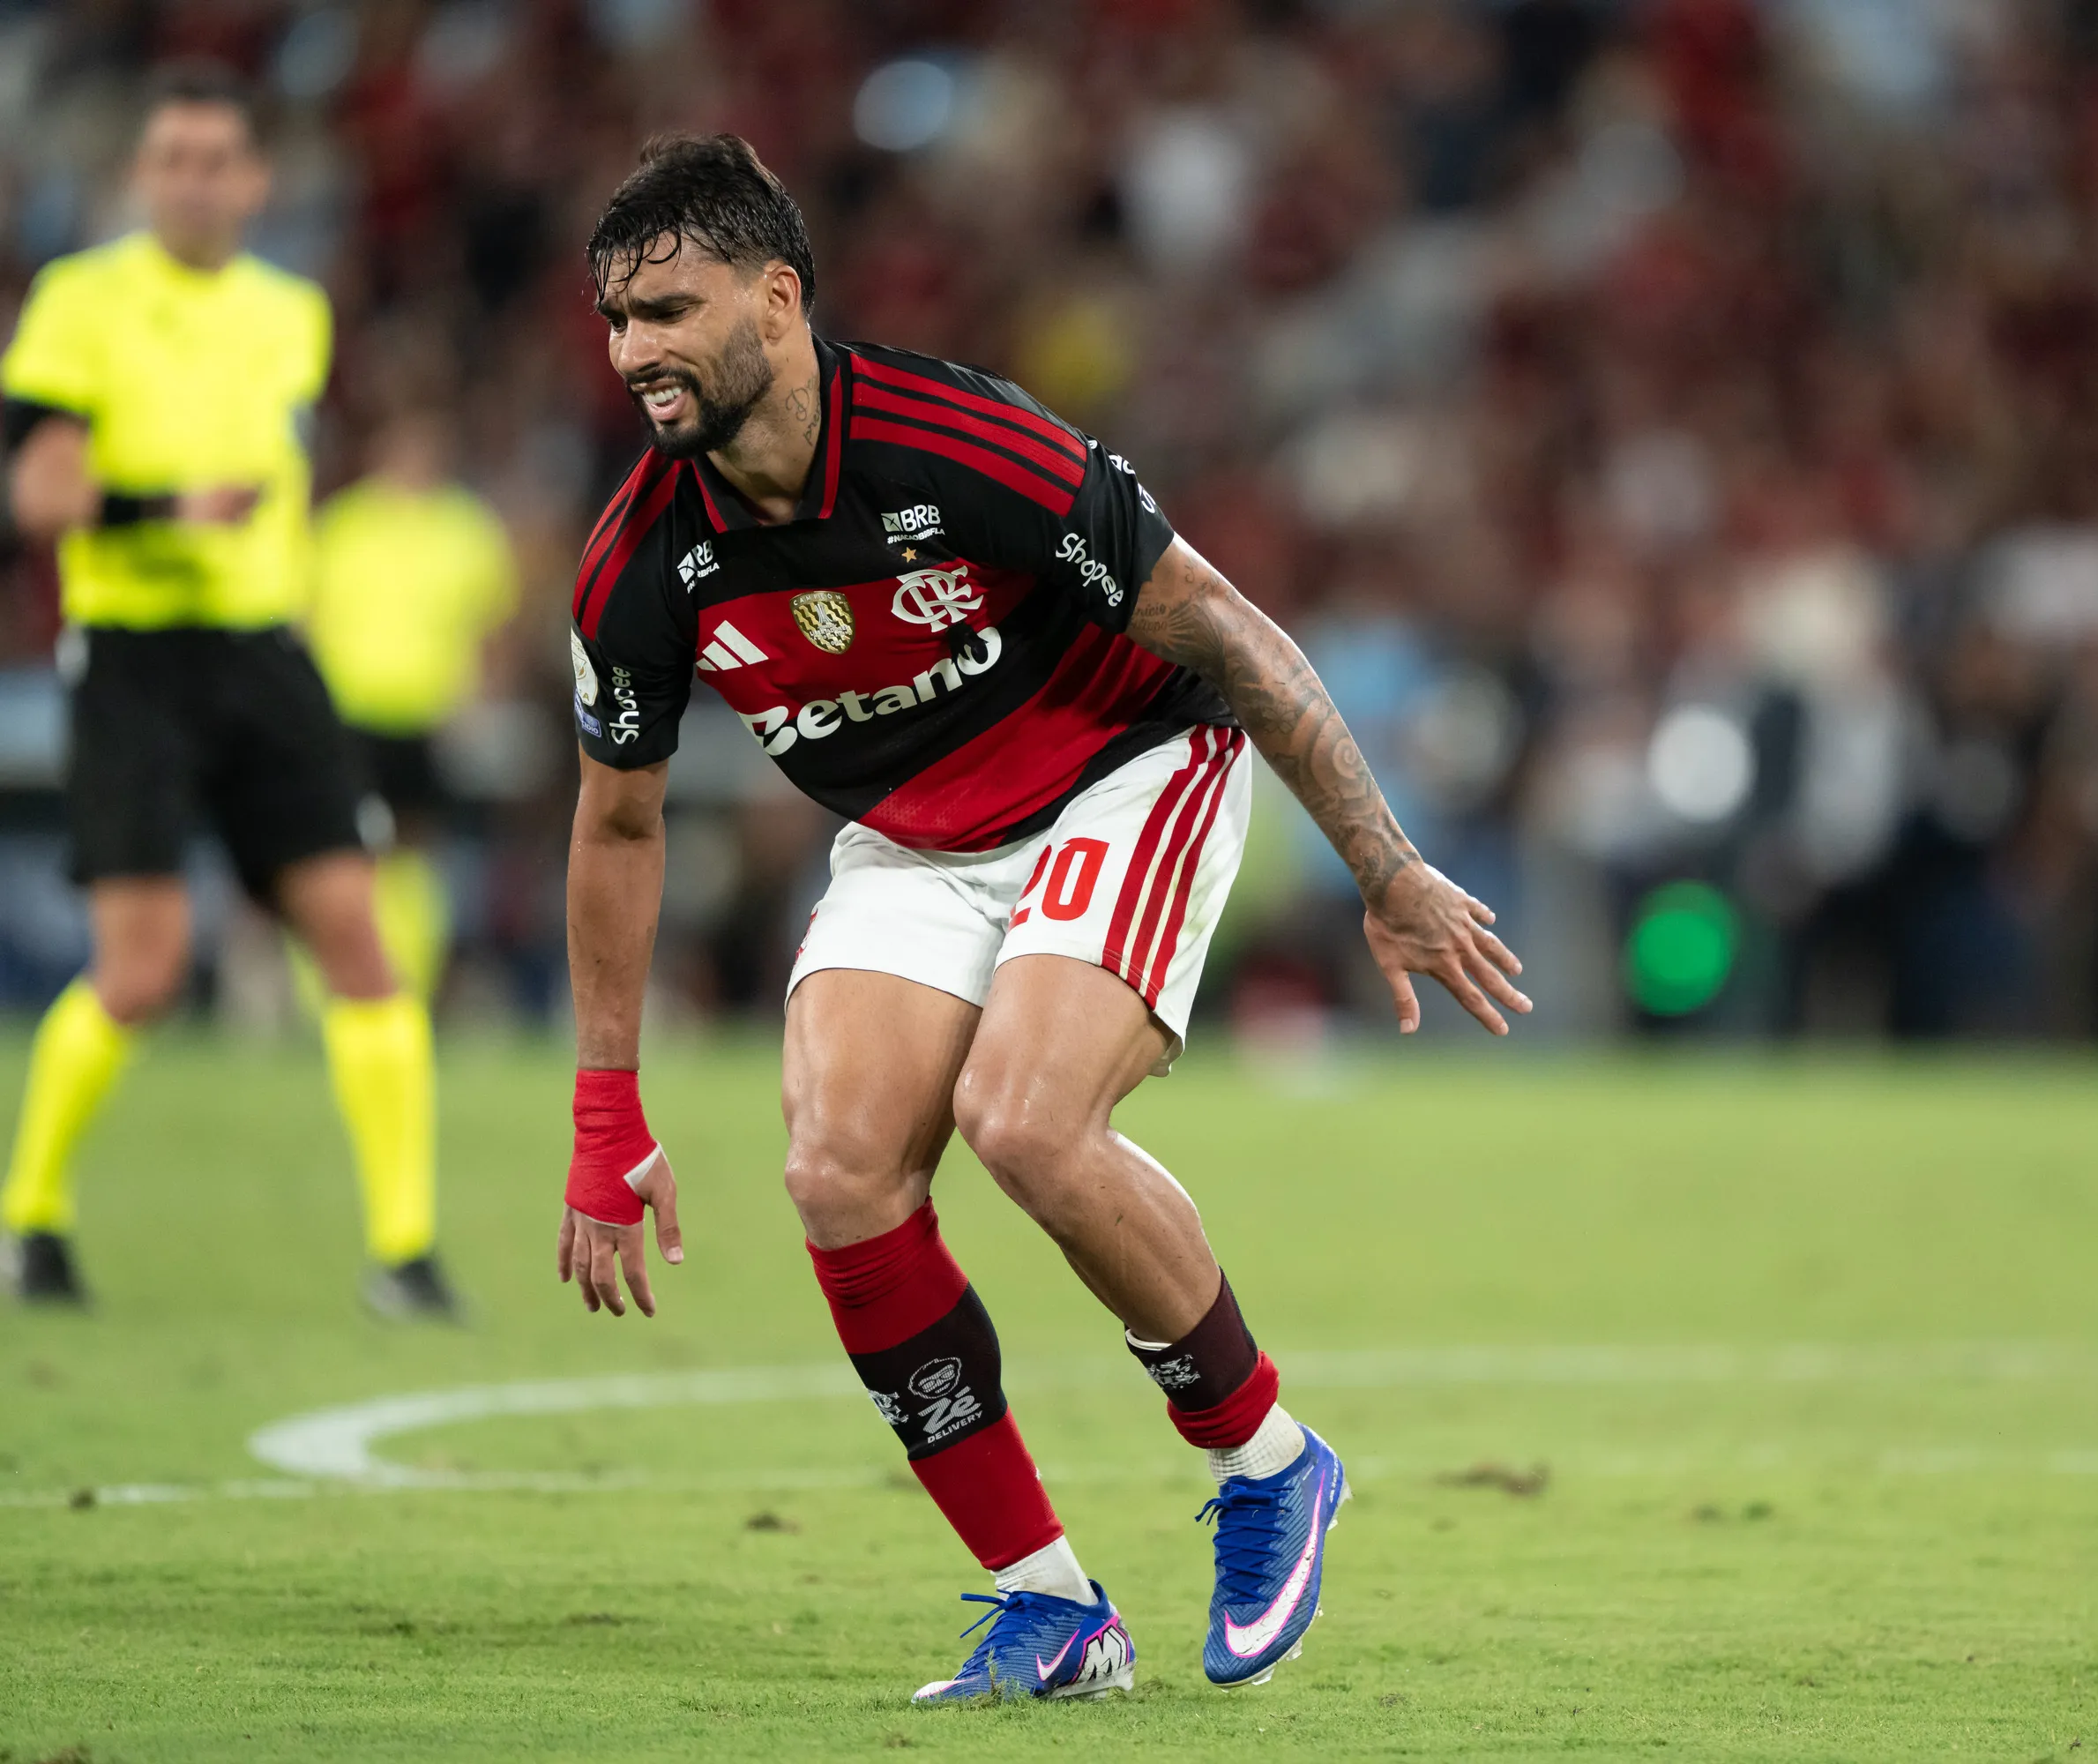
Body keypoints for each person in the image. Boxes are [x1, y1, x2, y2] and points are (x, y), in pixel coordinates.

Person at [559, 135, 1527, 1704]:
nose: (637, 353)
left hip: (1125, 769)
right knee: (837, 1169)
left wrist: (1386, 864)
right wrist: (608, 1109)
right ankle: (1052, 1607)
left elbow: (1226, 626)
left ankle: (1269, 1457)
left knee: (1024, 1120)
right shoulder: (640, 562)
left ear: (780, 296)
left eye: (670, 309)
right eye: (618, 321)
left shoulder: (961, 447)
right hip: (916, 839)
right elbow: (617, 817)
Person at [0, 65, 453, 1319]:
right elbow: (37, 497)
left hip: (265, 654)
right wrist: (164, 509)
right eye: (172, 159)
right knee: (140, 972)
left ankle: (405, 1254)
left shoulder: (291, 313)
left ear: (255, 182)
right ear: (141, 177)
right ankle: (29, 1220)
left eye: (216, 159)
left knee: (360, 945)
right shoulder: (80, 304)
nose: (194, 180)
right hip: (137, 656)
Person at [308, 410, 519, 998]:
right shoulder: (344, 526)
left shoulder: (465, 528)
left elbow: (492, 631)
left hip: (429, 719)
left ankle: (406, 979)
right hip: (350, 714)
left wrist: (481, 702)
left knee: (413, 851)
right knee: (340, 854)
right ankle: (329, 985)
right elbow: (304, 622)